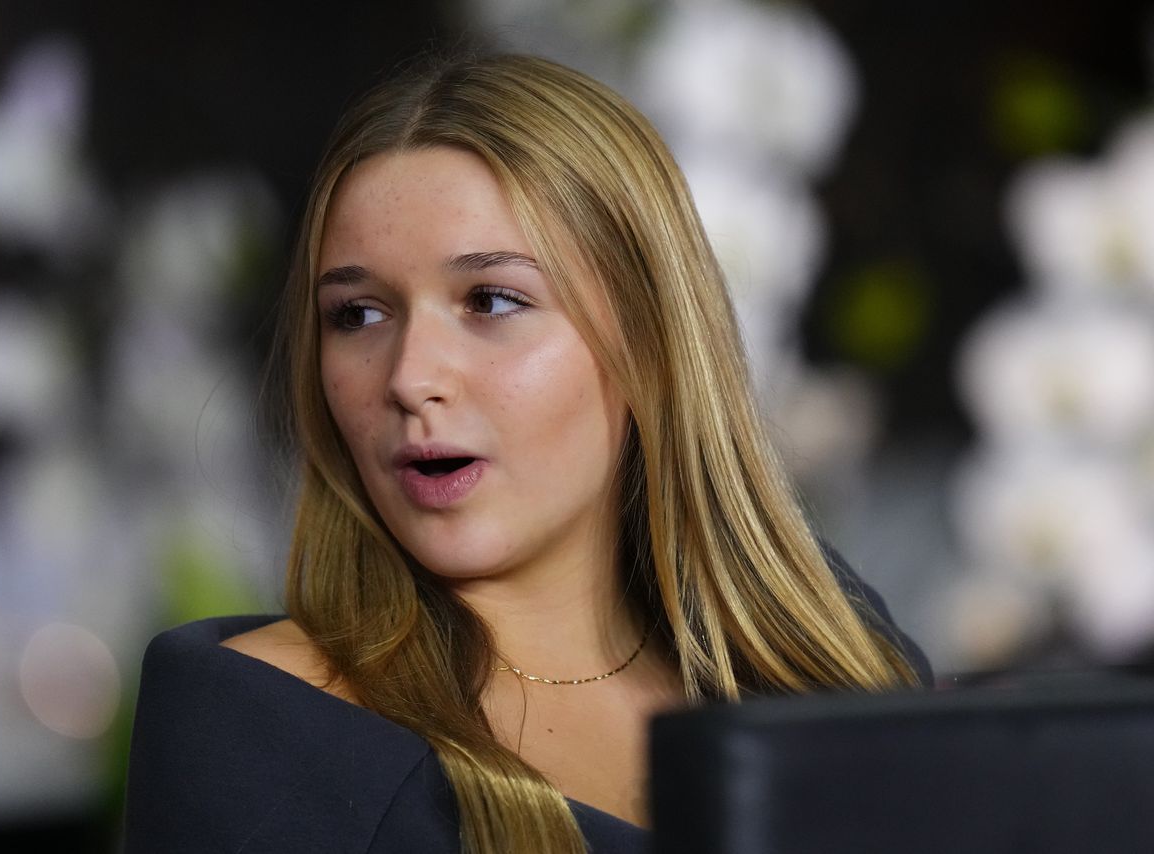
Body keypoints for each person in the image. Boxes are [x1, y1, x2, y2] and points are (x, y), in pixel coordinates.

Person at [123, 52, 931, 854]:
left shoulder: (829, 656)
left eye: (492, 300)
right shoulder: (259, 719)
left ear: (651, 341)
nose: (410, 378)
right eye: (359, 316)